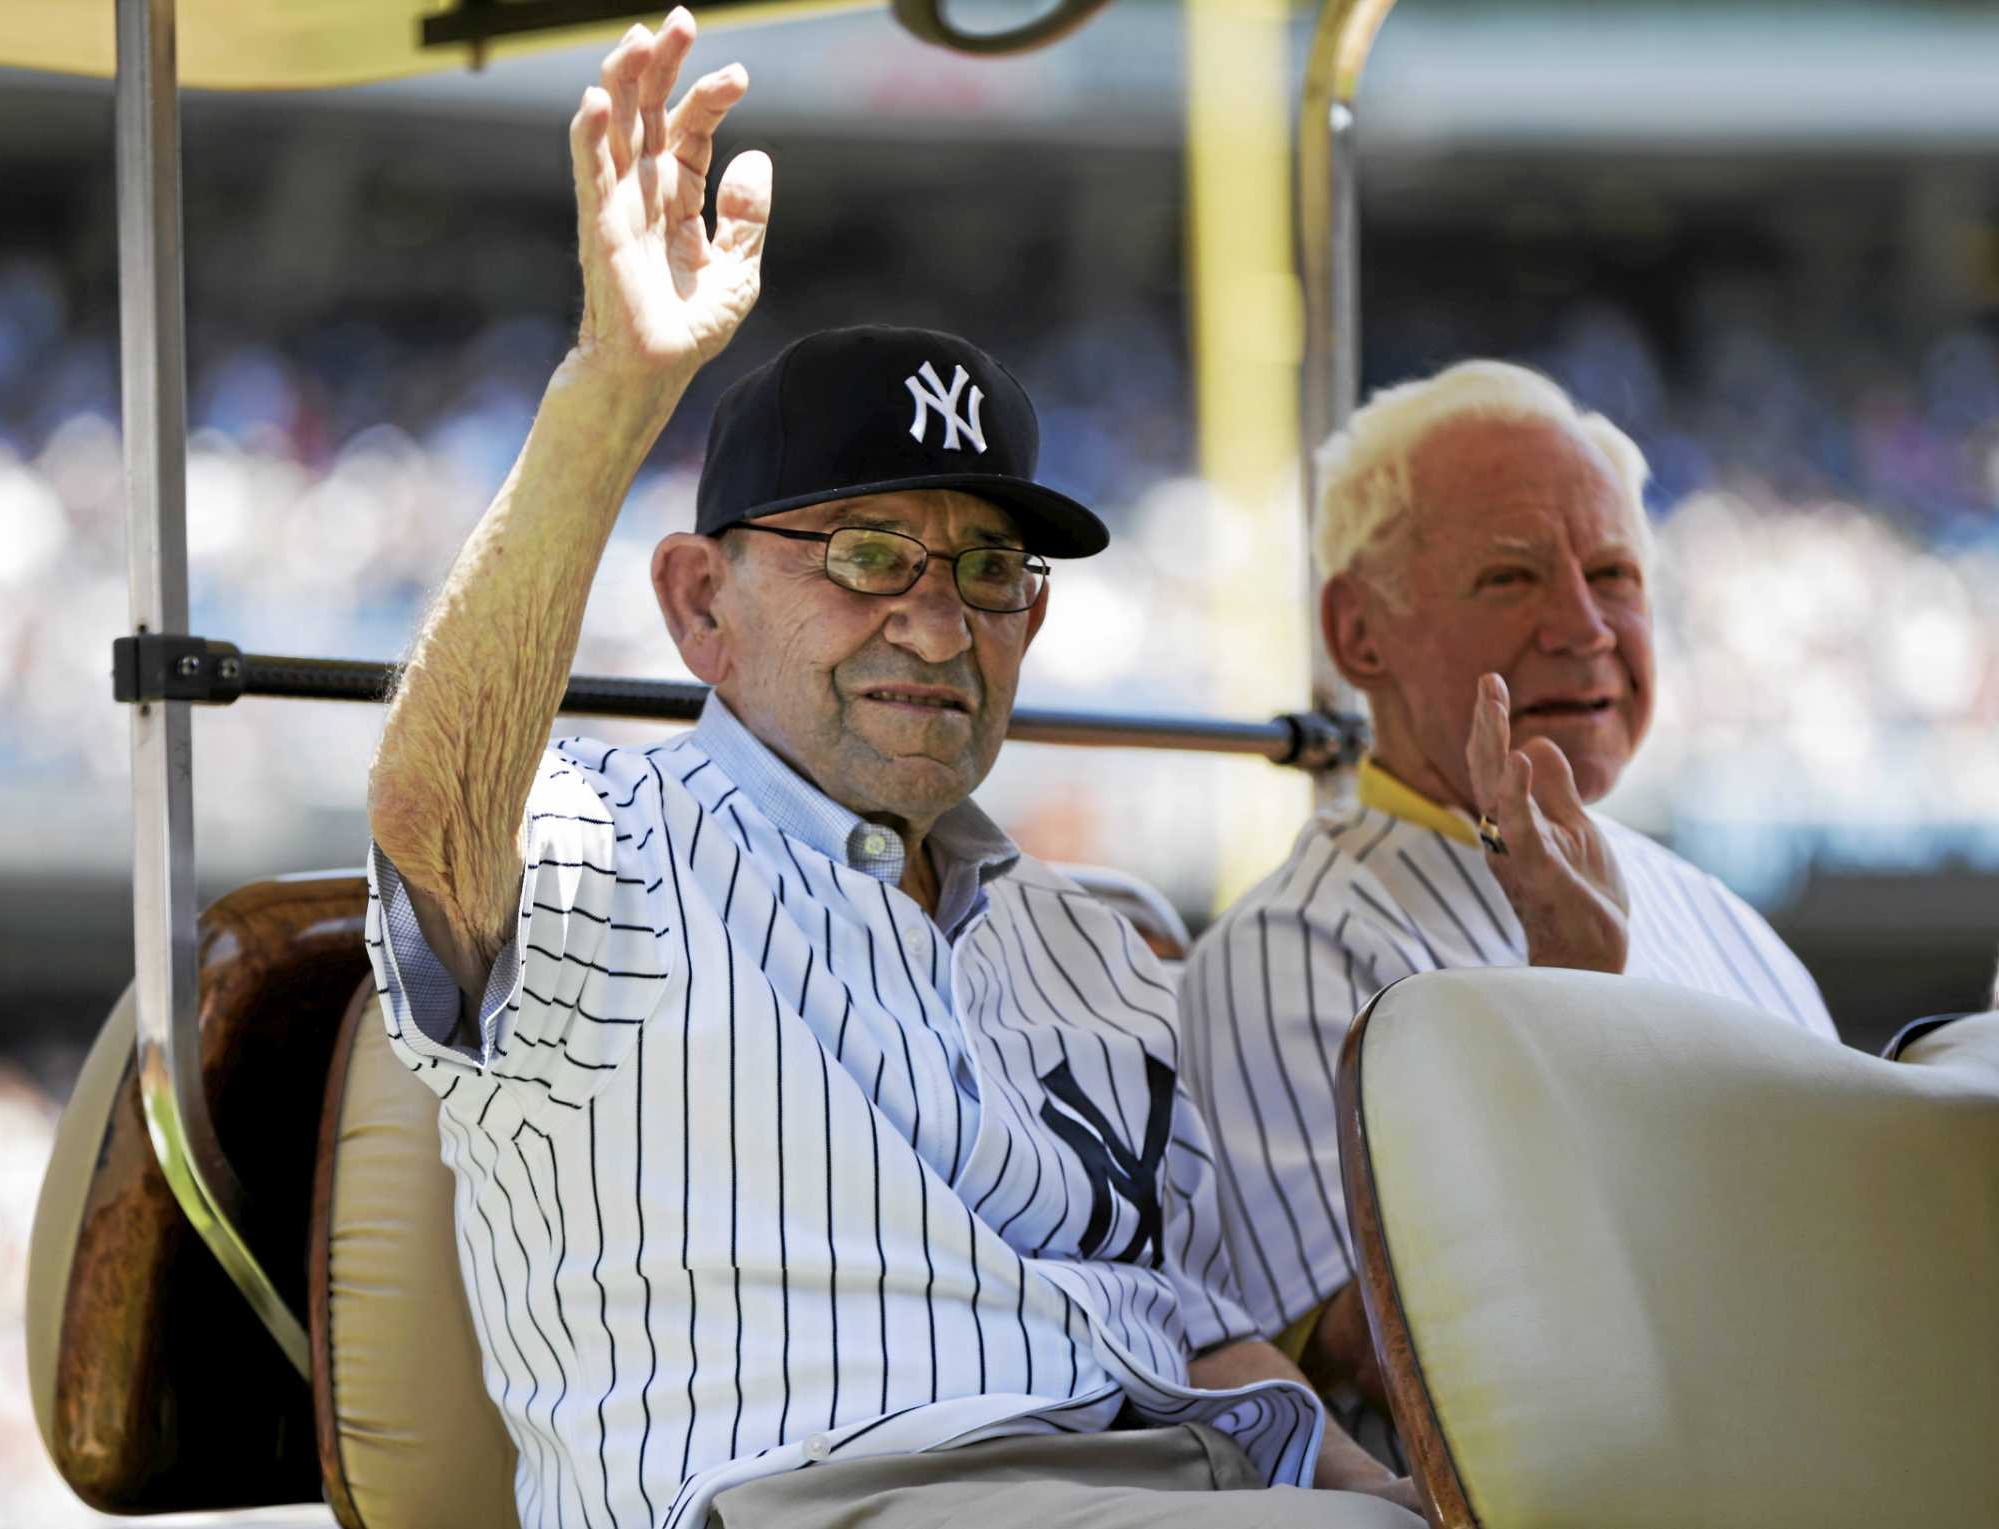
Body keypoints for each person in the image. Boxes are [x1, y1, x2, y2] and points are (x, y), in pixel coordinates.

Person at [363, 11, 1421, 1528]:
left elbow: (1182, 1320)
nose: (937, 619)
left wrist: (1388, 1494)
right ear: (699, 607)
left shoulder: (1097, 940)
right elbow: (429, 815)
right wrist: (612, 393)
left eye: (992, 570)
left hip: (1168, 1483)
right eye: (867, 554)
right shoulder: (601, 843)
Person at [1180, 360, 1841, 1451]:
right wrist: (1571, 1008)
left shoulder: (1720, 911)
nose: (1581, 625)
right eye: (1509, 577)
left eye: (1613, 573)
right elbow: (1420, 1371)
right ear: (1358, 635)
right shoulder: (1288, 952)